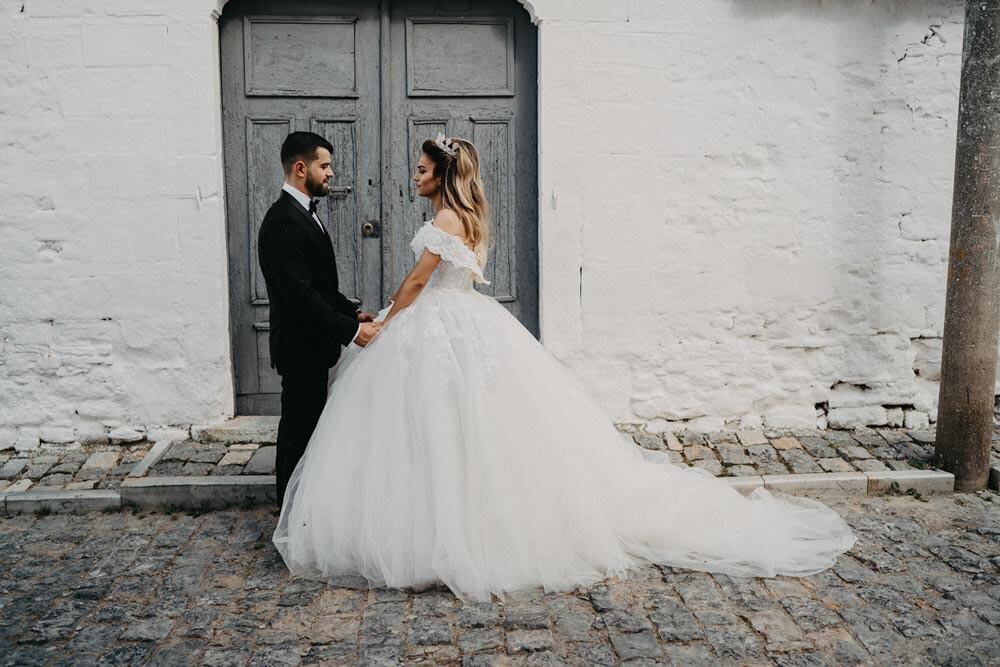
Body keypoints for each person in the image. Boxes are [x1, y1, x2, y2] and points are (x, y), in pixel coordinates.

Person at [273, 134, 856, 601]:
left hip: (438, 324)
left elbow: (419, 281)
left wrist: (387, 321)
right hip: (464, 322)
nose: (414, 176)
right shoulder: (464, 219)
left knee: (439, 420)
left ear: (442, 176)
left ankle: (442, 528)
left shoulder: (444, 222)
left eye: (422, 170)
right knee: (464, 423)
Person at [257, 131, 380, 505]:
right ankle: (288, 514)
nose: (330, 173)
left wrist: (350, 311)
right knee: (297, 433)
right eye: (324, 165)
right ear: (300, 168)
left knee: (309, 430)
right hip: (299, 349)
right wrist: (352, 331)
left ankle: (303, 507)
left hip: (312, 347)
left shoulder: (303, 214)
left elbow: (318, 286)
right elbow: (300, 297)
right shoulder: (281, 222)